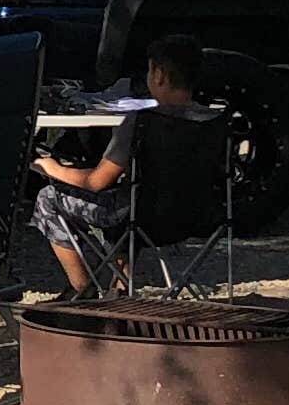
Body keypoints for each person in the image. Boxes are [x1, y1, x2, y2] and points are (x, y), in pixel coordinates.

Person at [33, 35, 208, 295]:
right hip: (194, 216)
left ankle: (82, 289)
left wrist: (53, 168)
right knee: (131, 197)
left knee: (48, 198)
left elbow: (96, 181)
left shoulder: (141, 122)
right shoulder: (213, 120)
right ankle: (119, 285)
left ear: (158, 75)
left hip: (140, 217)